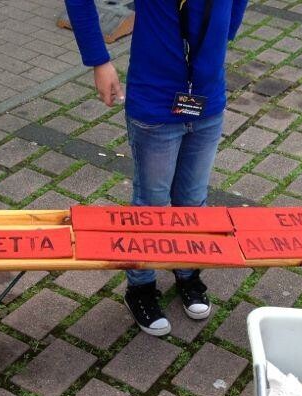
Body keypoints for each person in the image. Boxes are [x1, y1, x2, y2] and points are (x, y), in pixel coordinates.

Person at [65, 0, 249, 336]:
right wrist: (98, 60)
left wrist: (222, 36)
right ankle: (141, 287)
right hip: (155, 103)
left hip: (207, 101)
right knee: (151, 203)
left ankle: (187, 271)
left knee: (193, 200)